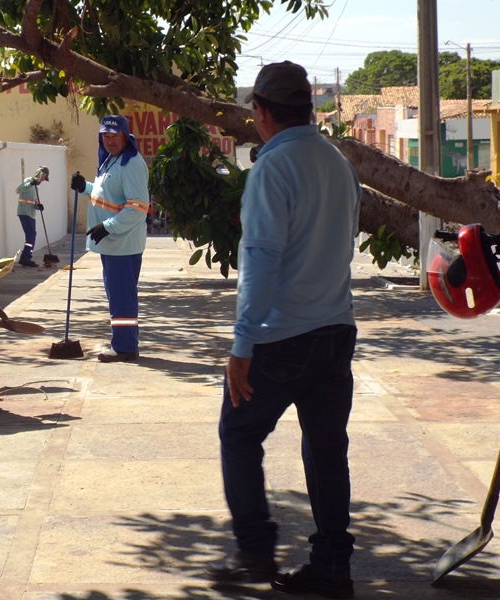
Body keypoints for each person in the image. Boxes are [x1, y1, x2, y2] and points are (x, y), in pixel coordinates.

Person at [207, 61, 361, 599]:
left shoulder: (272, 169)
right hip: (336, 329)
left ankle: (255, 551)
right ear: (309, 109)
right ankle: (333, 567)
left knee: (239, 434)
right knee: (325, 449)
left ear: (262, 111)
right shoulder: (338, 164)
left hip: (282, 337)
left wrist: (241, 345)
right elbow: (345, 247)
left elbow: (261, 261)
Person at [70, 115, 149, 363]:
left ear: (126, 136)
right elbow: (107, 195)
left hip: (123, 244)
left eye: (115, 135)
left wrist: (109, 226)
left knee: (122, 297)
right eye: (105, 135)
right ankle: (123, 342)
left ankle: (125, 348)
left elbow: (137, 207)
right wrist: (86, 187)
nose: (110, 140)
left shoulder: (131, 164)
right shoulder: (111, 161)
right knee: (117, 296)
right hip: (113, 244)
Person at [16, 166, 50, 267]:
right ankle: (24, 257)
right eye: (43, 178)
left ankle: (27, 256)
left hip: (31, 213)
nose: (43, 180)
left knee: (32, 235)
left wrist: (38, 206)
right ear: (40, 175)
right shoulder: (28, 181)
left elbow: (33, 202)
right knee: (31, 235)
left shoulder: (36, 188)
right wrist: (30, 183)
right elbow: (18, 190)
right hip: (24, 212)